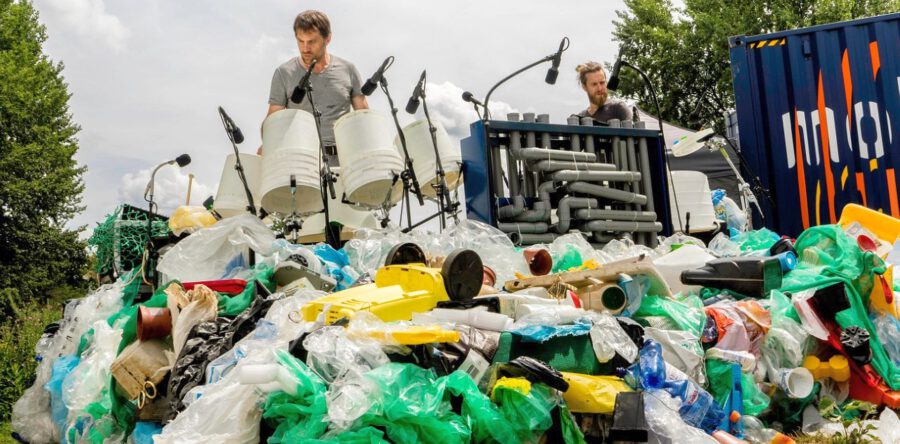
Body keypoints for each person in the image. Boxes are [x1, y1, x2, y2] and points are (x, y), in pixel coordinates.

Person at [264, 10, 368, 157]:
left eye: (311, 41)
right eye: (300, 41)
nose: (305, 48)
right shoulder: (284, 73)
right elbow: (272, 122)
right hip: (303, 161)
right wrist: (268, 142)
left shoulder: (348, 69)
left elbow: (364, 117)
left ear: (328, 39)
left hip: (345, 160)